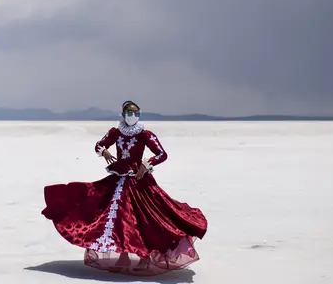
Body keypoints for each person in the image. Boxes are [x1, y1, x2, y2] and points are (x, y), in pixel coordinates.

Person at [41, 101, 208, 276]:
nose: (132, 116)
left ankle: (145, 256)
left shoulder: (145, 135)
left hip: (139, 179)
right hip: (119, 177)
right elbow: (99, 145)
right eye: (129, 112)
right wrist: (104, 151)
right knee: (119, 218)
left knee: (145, 218)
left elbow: (161, 154)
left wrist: (148, 164)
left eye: (136, 113)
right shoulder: (116, 132)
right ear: (123, 114)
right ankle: (123, 255)